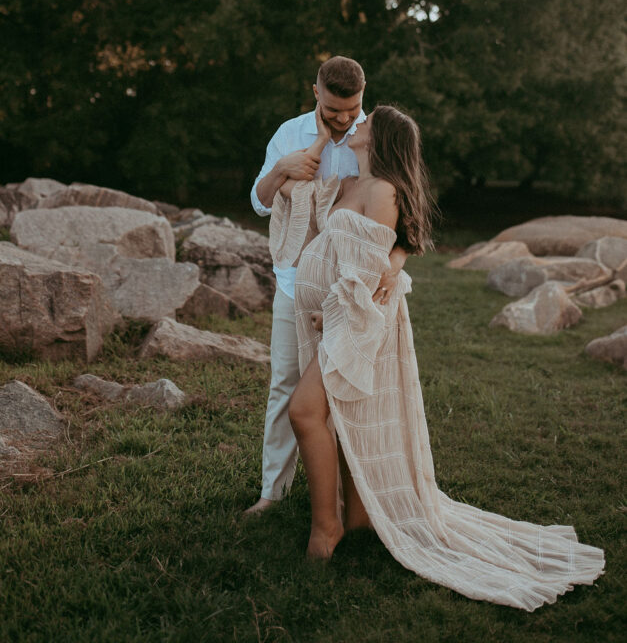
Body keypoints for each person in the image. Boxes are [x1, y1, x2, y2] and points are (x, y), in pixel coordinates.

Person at [269, 105, 605, 611]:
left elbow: (364, 278)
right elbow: (295, 209)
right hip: (339, 318)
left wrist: (336, 310)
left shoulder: (381, 192)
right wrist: (303, 155)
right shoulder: (351, 181)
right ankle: (359, 516)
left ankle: (327, 527)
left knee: (305, 410)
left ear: (379, 140)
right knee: (342, 411)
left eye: (364, 123)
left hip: (356, 323)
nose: (355, 125)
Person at [244, 57, 408, 516]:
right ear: (315, 90)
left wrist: (394, 263)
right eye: (335, 109)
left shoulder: (377, 135)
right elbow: (258, 203)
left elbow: (406, 214)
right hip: (296, 283)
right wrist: (282, 171)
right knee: (285, 386)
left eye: (352, 109)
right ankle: (272, 494)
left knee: (346, 392)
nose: (344, 119)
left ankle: (347, 499)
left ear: (362, 94)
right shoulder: (290, 134)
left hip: (349, 291)